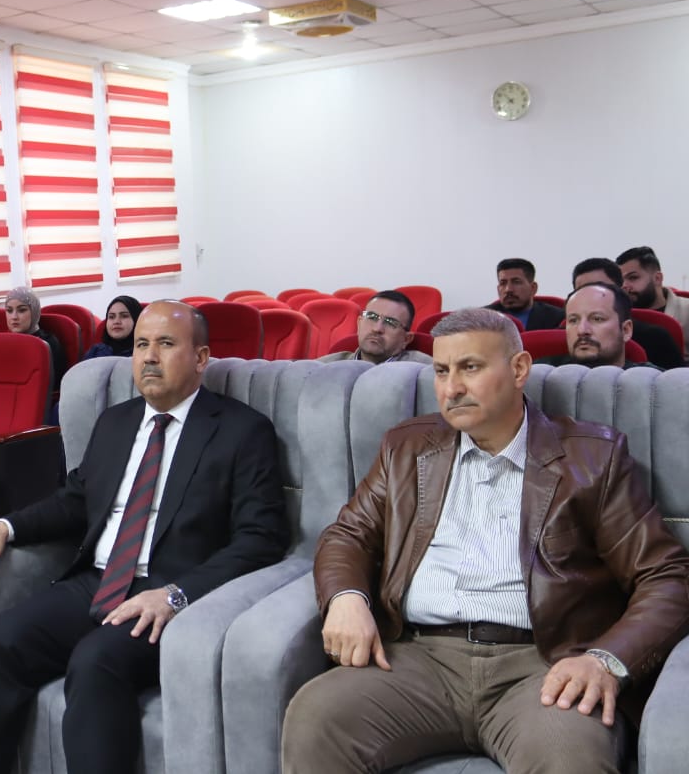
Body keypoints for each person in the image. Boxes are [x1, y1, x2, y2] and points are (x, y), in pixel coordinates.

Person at [281, 308, 689, 774]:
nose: (451, 388)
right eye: (441, 371)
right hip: (417, 660)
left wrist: (605, 661)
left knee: (570, 758)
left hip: (543, 665)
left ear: (519, 369)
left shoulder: (592, 458)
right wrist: (346, 598)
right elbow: (349, 534)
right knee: (315, 718)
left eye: (470, 367)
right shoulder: (407, 448)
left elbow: (667, 577)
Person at [0, 300, 289, 774]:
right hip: (97, 581)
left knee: (95, 662)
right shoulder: (117, 422)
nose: (149, 357)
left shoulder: (243, 431)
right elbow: (76, 499)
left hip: (168, 592)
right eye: (141, 345)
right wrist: (6, 526)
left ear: (201, 358)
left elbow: (261, 538)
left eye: (166, 344)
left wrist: (177, 595)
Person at [571, 258, 682, 369]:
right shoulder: (568, 343)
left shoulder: (656, 339)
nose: (590, 298)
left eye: (599, 290)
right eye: (581, 292)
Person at [535, 284, 657, 371]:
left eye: (597, 319)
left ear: (626, 330)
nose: (582, 330)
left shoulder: (653, 384)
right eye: (573, 320)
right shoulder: (540, 377)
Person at [319, 290, 430, 365]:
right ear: (359, 324)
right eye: (372, 317)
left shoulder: (424, 370)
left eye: (391, 322)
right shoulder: (328, 366)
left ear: (406, 339)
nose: (377, 329)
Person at [616, 246, 689, 358]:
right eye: (620, 281)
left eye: (633, 278)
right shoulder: (615, 317)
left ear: (657, 278)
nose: (624, 286)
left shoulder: (686, 312)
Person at [5, 286, 67, 390]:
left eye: (22, 310)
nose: (14, 317)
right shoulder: (3, 342)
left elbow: (53, 387)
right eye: (9, 310)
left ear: (34, 312)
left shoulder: (48, 344)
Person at [484, 257, 565, 331]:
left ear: (533, 288)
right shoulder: (483, 318)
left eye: (516, 282)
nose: (508, 289)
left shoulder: (557, 318)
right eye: (503, 283)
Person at [82, 295, 142, 360]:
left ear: (137, 320)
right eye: (111, 317)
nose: (116, 321)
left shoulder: (144, 352)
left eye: (124, 316)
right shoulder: (95, 351)